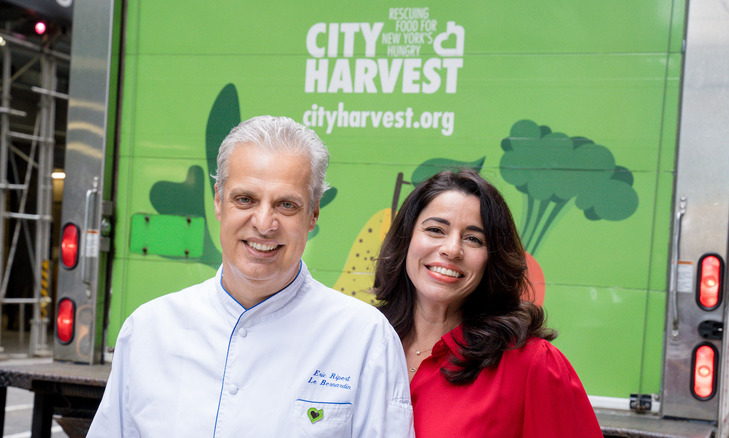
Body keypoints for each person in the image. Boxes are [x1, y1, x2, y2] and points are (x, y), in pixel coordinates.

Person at [88, 116, 414, 437]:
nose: (263, 223)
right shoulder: (148, 331)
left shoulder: (365, 340)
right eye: (245, 199)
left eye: (286, 205)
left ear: (313, 214)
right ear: (218, 201)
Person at [374, 169, 602, 437]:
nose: (452, 249)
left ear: (492, 259)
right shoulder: (364, 342)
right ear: (407, 239)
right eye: (436, 229)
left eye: (473, 239)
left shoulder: (532, 365)